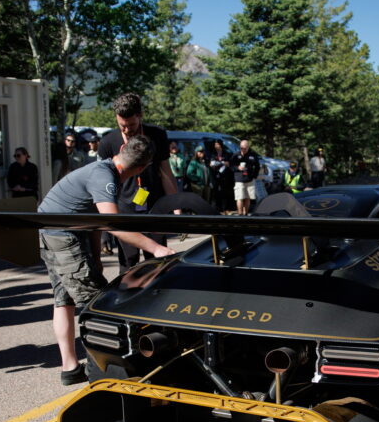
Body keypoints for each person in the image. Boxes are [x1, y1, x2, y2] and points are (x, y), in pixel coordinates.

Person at [37, 135, 175, 385]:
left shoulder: (104, 170)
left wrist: (96, 257)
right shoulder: (105, 177)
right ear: (143, 168)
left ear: (122, 149)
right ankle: (100, 370)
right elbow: (111, 222)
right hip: (63, 235)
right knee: (97, 304)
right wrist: (155, 248)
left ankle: (70, 368)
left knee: (63, 299)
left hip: (52, 230)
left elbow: (90, 217)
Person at [97, 93, 176, 271]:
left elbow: (166, 172)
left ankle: (156, 294)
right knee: (128, 259)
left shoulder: (157, 135)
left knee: (156, 259)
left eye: (131, 125)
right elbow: (101, 182)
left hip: (155, 204)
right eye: (122, 126)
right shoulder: (108, 142)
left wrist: (175, 205)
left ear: (140, 116)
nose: (126, 130)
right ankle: (127, 294)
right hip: (124, 205)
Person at [230, 139, 261, 215]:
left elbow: (257, 166)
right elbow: (231, 166)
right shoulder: (236, 155)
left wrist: (254, 175)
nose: (243, 150)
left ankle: (246, 213)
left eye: (244, 148)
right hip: (239, 179)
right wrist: (238, 168)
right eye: (241, 148)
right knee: (239, 197)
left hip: (249, 179)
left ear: (248, 147)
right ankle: (240, 213)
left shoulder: (253, 155)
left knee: (247, 197)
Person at [209, 141, 234, 213]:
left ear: (221, 145)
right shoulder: (213, 154)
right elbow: (211, 163)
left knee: (225, 191)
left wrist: (225, 163)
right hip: (216, 175)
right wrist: (212, 164)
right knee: (216, 191)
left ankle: (226, 207)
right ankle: (217, 208)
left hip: (225, 175)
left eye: (218, 144)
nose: (216, 146)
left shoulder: (226, 153)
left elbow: (230, 163)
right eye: (215, 144)